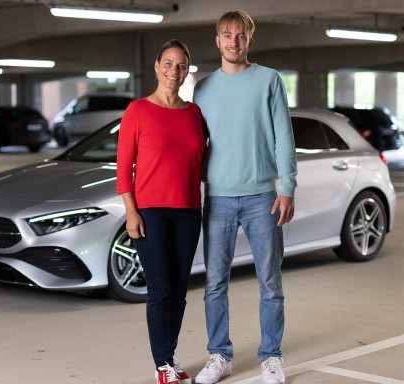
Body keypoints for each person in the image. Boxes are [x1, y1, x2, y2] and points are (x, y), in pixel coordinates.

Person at [192, 10, 297, 384]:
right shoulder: (203, 88)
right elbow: (195, 143)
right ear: (217, 40)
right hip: (217, 198)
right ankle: (219, 355)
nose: (233, 41)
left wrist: (287, 188)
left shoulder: (269, 80)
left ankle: (271, 356)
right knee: (214, 283)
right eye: (227, 35)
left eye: (240, 35)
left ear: (250, 40)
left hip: (262, 197)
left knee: (270, 282)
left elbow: (283, 137)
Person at [116, 39, 205, 384]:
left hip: (188, 211)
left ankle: (169, 354)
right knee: (160, 289)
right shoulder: (137, 110)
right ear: (156, 67)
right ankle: (161, 363)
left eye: (181, 65)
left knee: (179, 291)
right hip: (151, 212)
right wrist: (131, 212)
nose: (174, 70)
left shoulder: (193, 113)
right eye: (168, 63)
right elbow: (124, 168)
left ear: (187, 71)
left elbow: (201, 161)